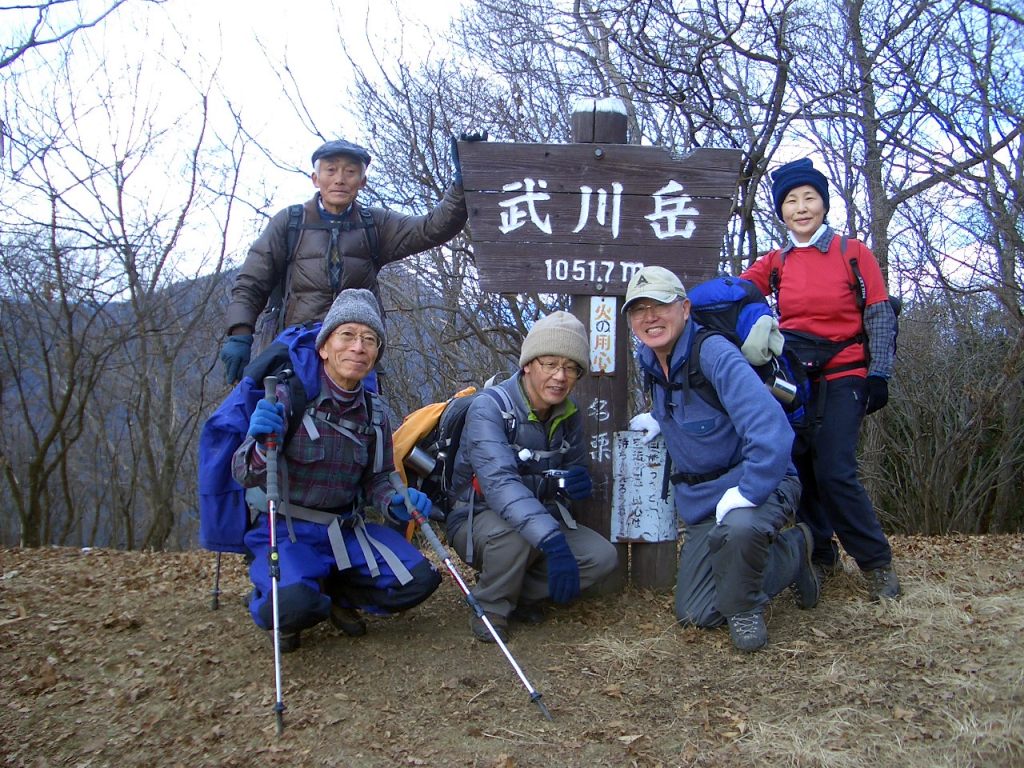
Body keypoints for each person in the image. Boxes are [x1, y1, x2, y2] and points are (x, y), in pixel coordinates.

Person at [231, 288, 441, 651]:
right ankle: (291, 596)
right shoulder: (287, 398)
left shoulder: (376, 413)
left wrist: (397, 501)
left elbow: (377, 478)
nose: (358, 347)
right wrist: (261, 438)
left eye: (369, 339)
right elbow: (245, 474)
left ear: (376, 356)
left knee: (420, 580)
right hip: (286, 529)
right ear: (324, 348)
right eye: (347, 335)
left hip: (344, 531)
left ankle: (332, 592)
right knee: (294, 607)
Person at [625, 266, 819, 652]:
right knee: (695, 612)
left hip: (761, 481)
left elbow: (773, 430)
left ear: (684, 308)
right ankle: (787, 556)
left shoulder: (714, 353)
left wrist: (748, 491)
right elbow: (691, 404)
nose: (649, 317)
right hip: (706, 499)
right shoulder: (650, 359)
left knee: (740, 530)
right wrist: (662, 419)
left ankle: (751, 599)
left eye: (659, 305)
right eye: (638, 309)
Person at [741, 158, 901, 601]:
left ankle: (875, 563)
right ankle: (820, 556)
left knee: (834, 469)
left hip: (847, 370)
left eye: (809, 197)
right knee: (802, 466)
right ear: (781, 212)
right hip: (793, 375)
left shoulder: (854, 253)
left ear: (825, 203)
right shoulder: (775, 262)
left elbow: (880, 314)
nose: (801, 207)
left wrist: (879, 374)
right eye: (791, 201)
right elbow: (736, 294)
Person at [220, 137, 472, 384]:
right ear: (315, 178)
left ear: (362, 181)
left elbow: (430, 228)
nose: (340, 179)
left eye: (350, 171)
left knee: (362, 422)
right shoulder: (289, 222)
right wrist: (240, 335)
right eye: (331, 170)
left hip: (356, 354)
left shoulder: (374, 224)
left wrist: (460, 186)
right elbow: (252, 282)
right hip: (297, 353)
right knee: (266, 418)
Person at [445, 311, 619, 643]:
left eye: (570, 368)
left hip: (539, 517)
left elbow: (569, 473)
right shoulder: (488, 407)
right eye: (549, 364)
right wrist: (551, 540)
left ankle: (521, 592)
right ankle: (491, 606)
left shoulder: (568, 414)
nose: (559, 377)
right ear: (527, 365)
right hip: (477, 516)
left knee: (601, 557)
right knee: (517, 535)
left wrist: (574, 483)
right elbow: (499, 484)